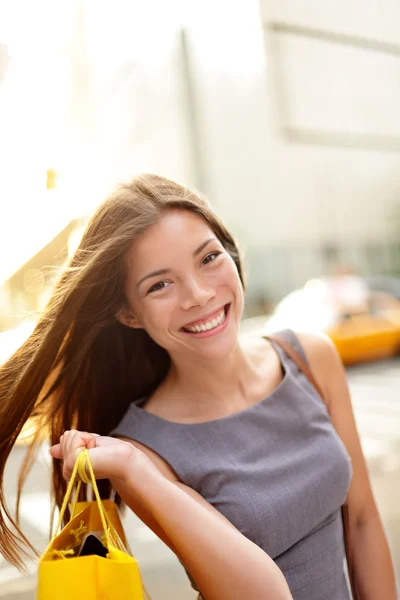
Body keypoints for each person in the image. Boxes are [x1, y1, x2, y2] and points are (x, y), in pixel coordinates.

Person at [0, 175, 396, 600]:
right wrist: (135, 471)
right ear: (129, 314)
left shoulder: (309, 357)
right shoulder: (142, 451)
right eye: (159, 285)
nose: (199, 294)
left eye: (208, 258)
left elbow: (361, 520)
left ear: (231, 251)